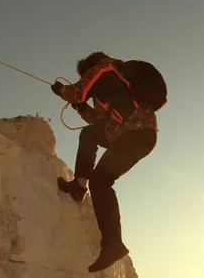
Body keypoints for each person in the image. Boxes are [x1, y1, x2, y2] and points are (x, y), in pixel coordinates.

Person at [51, 51, 159, 273]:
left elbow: (77, 92)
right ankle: (79, 186)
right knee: (89, 134)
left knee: (101, 180)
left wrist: (62, 91)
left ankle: (113, 244)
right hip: (130, 134)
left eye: (85, 74)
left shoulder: (105, 66)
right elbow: (102, 121)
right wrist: (81, 108)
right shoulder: (112, 91)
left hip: (136, 134)